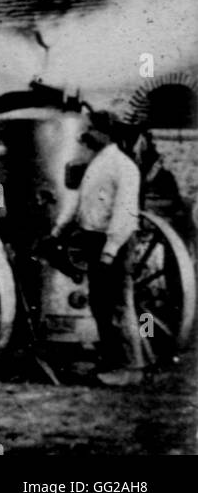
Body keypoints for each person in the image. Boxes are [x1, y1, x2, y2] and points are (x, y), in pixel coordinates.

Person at [51, 112, 143, 387]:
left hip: (114, 242)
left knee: (118, 305)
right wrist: (59, 229)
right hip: (94, 240)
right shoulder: (97, 163)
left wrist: (110, 250)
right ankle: (113, 363)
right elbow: (79, 199)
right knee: (101, 305)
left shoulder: (123, 166)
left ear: (106, 132)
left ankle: (131, 368)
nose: (87, 133)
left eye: (92, 129)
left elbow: (125, 211)